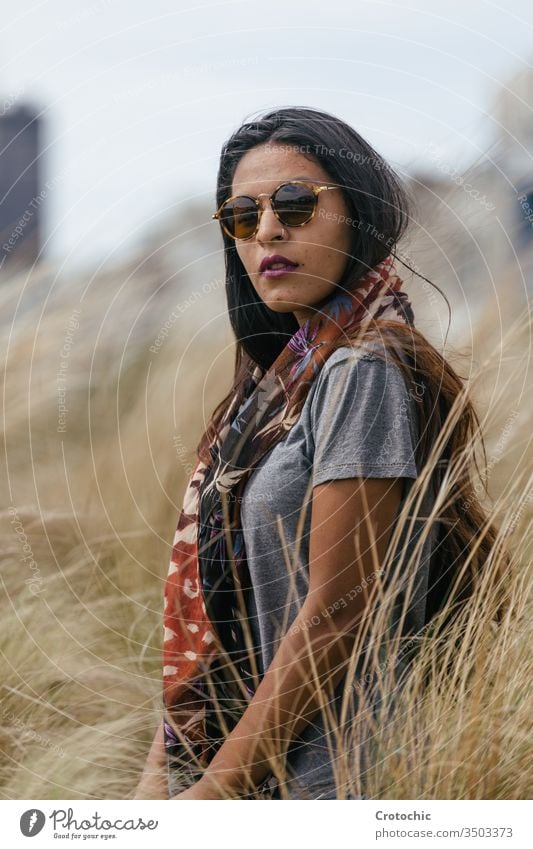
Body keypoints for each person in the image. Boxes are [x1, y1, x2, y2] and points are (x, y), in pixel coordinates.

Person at [133, 106, 506, 801]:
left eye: (296, 204)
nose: (268, 229)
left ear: (359, 213)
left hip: (337, 780)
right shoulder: (274, 388)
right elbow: (222, 616)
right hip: (264, 781)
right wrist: (158, 781)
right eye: (242, 216)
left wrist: (211, 792)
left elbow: (339, 607)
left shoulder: (360, 370)